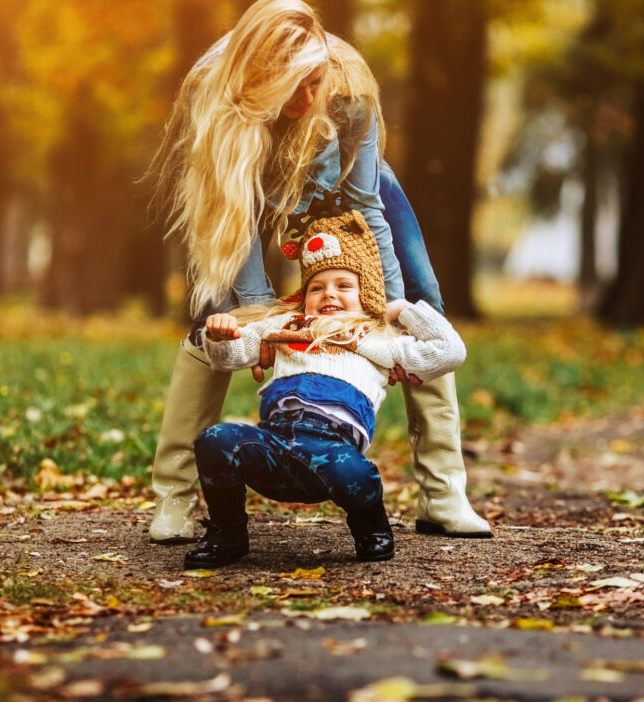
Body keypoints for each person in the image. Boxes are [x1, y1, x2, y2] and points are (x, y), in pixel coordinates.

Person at [146, 0, 491, 544]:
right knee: (218, 315)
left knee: (422, 298)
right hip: (241, 195)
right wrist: (259, 321)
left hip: (345, 188)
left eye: (313, 84)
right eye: (291, 88)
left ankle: (443, 494)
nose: (306, 101)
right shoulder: (209, 91)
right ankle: (174, 497)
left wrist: (384, 310)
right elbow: (232, 217)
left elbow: (367, 204)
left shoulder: (348, 90)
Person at [185, 206, 466, 567]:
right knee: (214, 440)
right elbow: (231, 357)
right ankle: (228, 534)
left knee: (354, 471)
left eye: (343, 286)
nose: (329, 294)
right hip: (273, 443)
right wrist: (221, 335)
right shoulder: (286, 326)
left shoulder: (380, 339)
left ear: (367, 294)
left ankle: (371, 526)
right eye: (316, 287)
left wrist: (400, 309)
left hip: (332, 449)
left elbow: (449, 350)